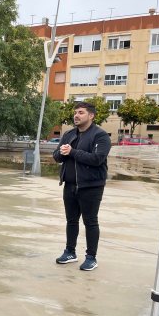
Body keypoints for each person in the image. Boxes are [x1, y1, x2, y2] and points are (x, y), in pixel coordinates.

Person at [53, 101, 111, 271]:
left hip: (91, 186)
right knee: (71, 221)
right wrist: (62, 153)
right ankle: (70, 252)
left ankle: (91, 257)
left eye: (80, 112)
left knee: (90, 222)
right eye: (75, 113)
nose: (76, 116)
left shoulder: (100, 136)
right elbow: (57, 156)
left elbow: (97, 159)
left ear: (91, 115)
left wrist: (72, 152)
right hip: (70, 185)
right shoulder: (69, 134)